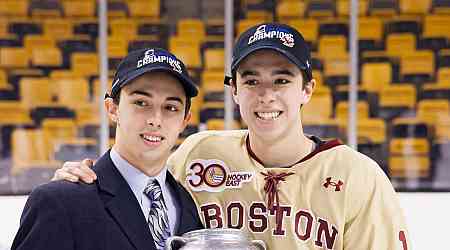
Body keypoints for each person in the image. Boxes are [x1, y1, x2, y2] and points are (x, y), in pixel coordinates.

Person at [52, 23, 411, 249]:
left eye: (282, 80)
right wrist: (81, 179)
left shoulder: (358, 177)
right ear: (234, 91)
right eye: (251, 80)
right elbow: (136, 180)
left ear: (308, 89)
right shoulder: (199, 154)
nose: (266, 94)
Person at [11, 48, 203, 250]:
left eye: (171, 107)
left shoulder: (190, 206)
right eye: (141, 102)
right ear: (113, 109)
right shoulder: (60, 201)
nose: (155, 120)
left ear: (185, 120)